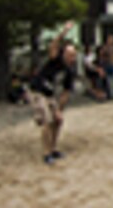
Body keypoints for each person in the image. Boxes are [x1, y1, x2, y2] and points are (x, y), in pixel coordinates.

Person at [29, 22, 78, 165]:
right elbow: (54, 45)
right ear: (64, 54)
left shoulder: (70, 71)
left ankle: (53, 148)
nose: (72, 58)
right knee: (47, 120)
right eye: (69, 55)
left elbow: (66, 92)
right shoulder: (55, 60)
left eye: (74, 55)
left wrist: (59, 110)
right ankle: (46, 153)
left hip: (50, 95)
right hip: (38, 91)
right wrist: (64, 32)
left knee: (58, 120)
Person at [100, 34, 113, 100]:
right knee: (108, 81)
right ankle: (109, 94)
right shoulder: (104, 48)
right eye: (110, 39)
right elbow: (101, 57)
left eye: (112, 39)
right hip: (106, 65)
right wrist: (102, 66)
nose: (111, 41)